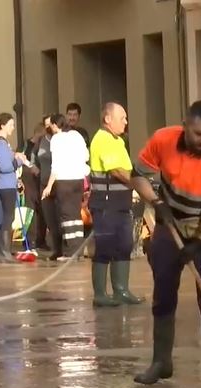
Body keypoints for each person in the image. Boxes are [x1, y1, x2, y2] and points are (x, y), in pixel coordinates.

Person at [132, 101, 201, 388]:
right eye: (199, 134)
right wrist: (156, 202)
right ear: (185, 125)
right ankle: (161, 362)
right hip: (170, 227)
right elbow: (137, 174)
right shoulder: (163, 139)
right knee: (163, 294)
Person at [88, 103, 143, 307]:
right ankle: (100, 294)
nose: (126, 122)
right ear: (108, 119)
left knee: (124, 245)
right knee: (105, 247)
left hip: (121, 204)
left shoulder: (117, 140)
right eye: (123, 117)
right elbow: (117, 171)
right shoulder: (102, 139)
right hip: (105, 204)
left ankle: (121, 290)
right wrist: (140, 182)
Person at [41, 114, 89, 261]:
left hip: (64, 181)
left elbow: (55, 165)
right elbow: (86, 156)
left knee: (67, 217)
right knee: (76, 216)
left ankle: (69, 253)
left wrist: (48, 186)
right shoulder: (77, 135)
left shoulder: (56, 139)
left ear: (56, 125)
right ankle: (78, 250)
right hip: (78, 180)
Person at [0, 113, 26, 263]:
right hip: (6, 186)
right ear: (2, 126)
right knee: (7, 219)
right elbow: (5, 167)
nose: (13, 127)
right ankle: (5, 253)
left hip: (2, 185)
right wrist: (19, 161)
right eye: (10, 124)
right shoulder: (1, 144)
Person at [34, 115, 64, 260]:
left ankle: (64, 248)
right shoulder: (41, 141)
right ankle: (56, 249)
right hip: (43, 183)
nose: (48, 127)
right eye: (46, 125)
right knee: (49, 217)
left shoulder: (59, 140)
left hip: (58, 183)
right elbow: (33, 157)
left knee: (60, 216)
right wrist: (34, 168)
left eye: (50, 124)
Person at [19, 120, 48, 251]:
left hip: (40, 180)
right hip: (28, 180)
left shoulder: (43, 146)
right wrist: (30, 166)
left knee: (42, 210)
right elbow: (19, 159)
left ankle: (41, 239)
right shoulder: (26, 145)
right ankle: (28, 240)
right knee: (29, 210)